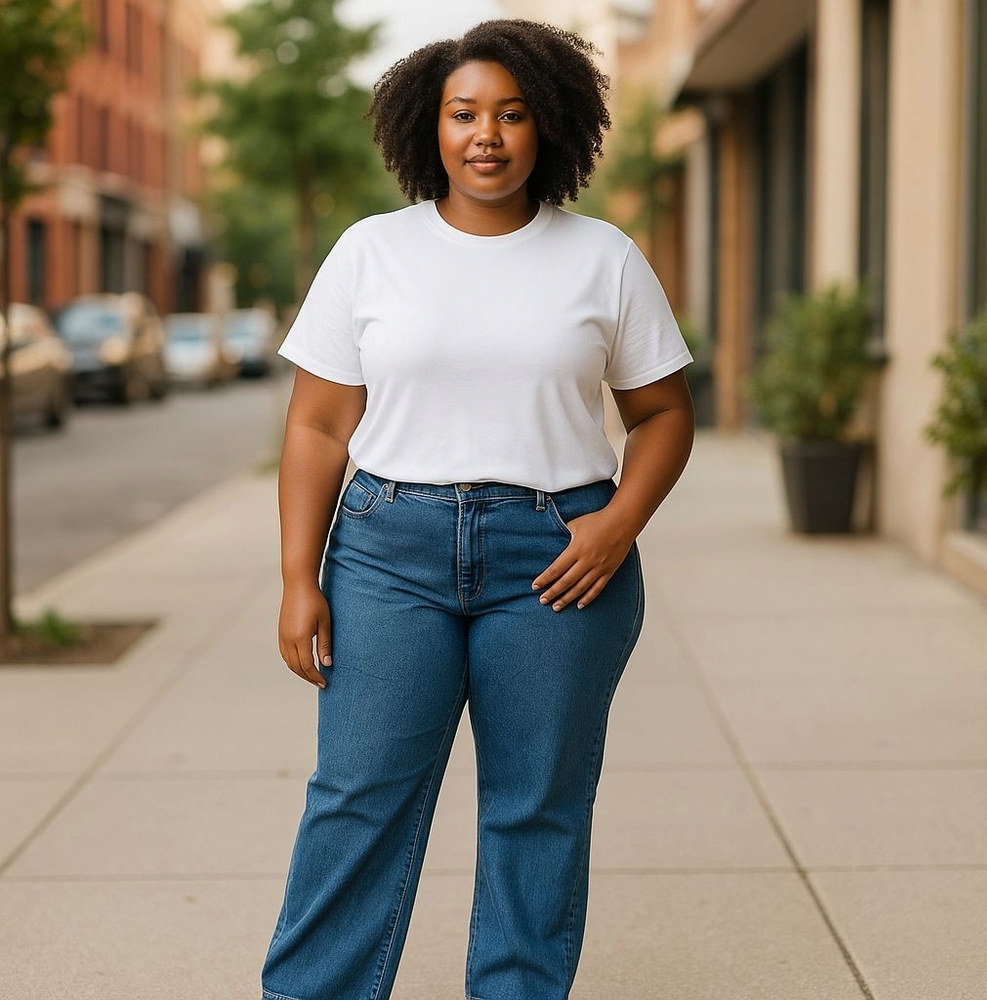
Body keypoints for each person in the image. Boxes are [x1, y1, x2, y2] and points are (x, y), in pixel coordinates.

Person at [262, 18, 695, 1000]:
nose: (486, 135)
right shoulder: (371, 252)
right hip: (387, 554)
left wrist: (619, 522)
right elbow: (318, 427)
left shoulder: (603, 258)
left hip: (558, 558)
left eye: (512, 113)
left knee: (537, 806)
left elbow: (665, 414)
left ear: (550, 126)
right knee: (356, 796)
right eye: (464, 114)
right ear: (431, 124)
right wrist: (297, 578)